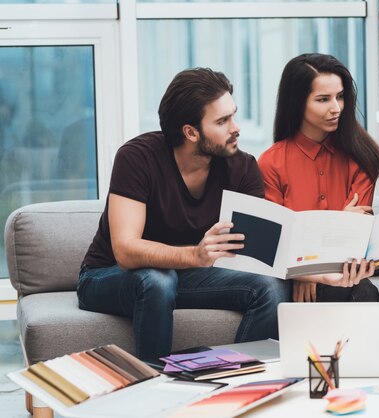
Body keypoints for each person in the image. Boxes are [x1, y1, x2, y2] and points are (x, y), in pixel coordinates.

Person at [78, 68, 291, 361]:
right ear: (190, 132)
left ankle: (235, 385)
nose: (236, 127)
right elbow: (125, 251)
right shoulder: (137, 158)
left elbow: (256, 256)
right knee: (157, 280)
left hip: (189, 275)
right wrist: (195, 256)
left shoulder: (242, 167)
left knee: (271, 287)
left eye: (233, 115)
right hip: (109, 275)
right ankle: (157, 392)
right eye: (222, 121)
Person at [258, 53, 379, 303]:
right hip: (287, 278)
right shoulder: (270, 162)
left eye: (340, 97)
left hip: (345, 275)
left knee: (361, 290)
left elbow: (354, 238)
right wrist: (305, 274)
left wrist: (311, 260)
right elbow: (273, 241)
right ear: (297, 102)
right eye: (323, 99)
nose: (336, 108)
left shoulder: (361, 158)